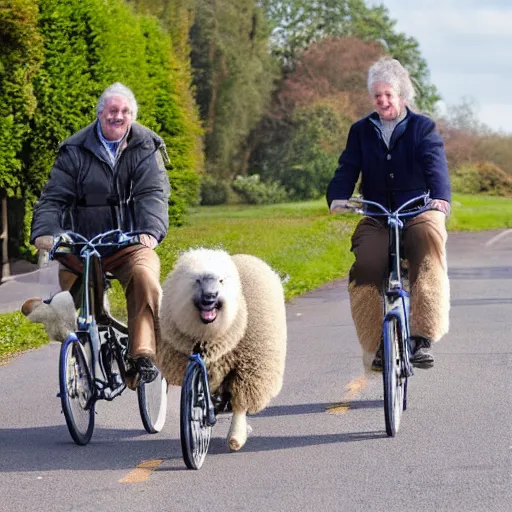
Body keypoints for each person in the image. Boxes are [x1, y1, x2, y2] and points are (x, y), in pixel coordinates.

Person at [30, 82, 171, 387]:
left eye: (125, 111)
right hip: (84, 246)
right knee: (70, 303)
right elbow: (53, 197)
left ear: (132, 116)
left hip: (129, 243)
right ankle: (77, 352)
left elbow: (152, 194)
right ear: (100, 114)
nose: (118, 116)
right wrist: (46, 232)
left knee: (144, 277)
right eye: (112, 111)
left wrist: (149, 231)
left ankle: (143, 353)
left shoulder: (145, 146)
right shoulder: (74, 149)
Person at [326, 57, 451, 371]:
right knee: (366, 264)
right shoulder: (361, 131)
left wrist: (439, 198)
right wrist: (338, 197)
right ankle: (376, 346)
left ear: (402, 96)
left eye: (388, 95)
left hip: (418, 209)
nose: (382, 101)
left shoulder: (423, 127)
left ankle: (422, 338)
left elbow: (436, 167)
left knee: (427, 248)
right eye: (377, 95)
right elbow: (347, 168)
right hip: (378, 213)